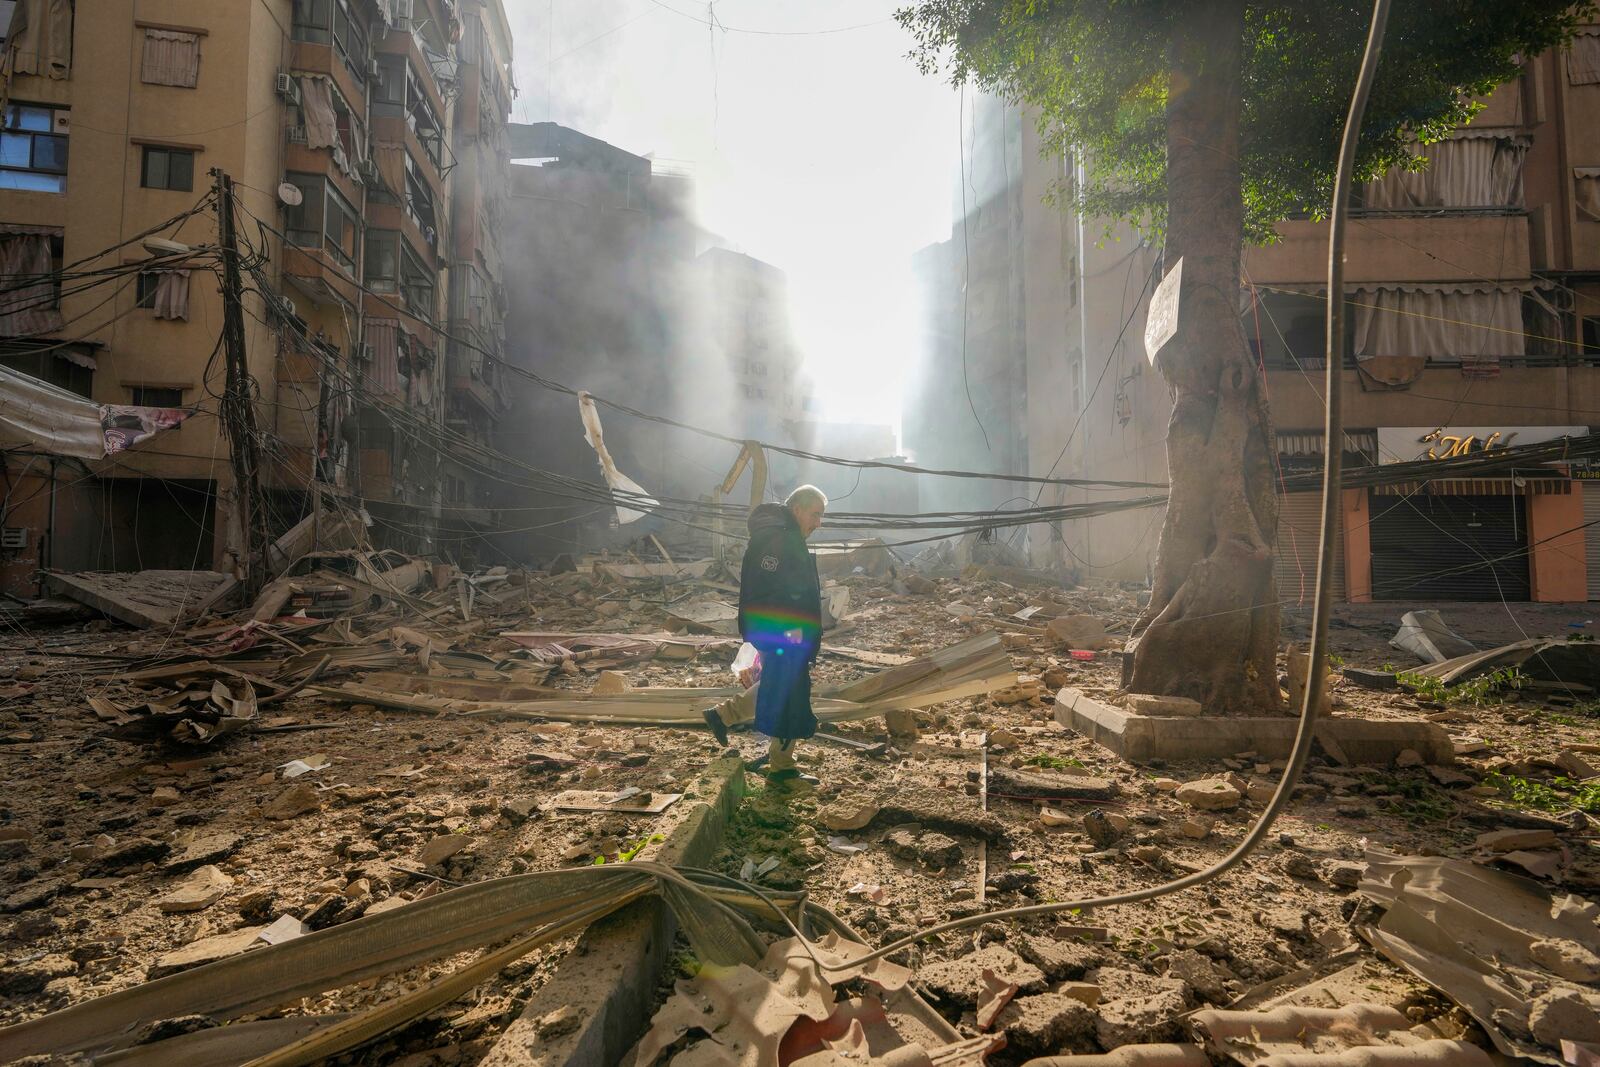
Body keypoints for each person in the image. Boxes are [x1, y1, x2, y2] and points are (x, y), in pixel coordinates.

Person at [703, 485, 827, 785]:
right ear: (797, 509)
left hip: (785, 630)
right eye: (815, 514)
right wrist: (790, 629)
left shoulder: (784, 536)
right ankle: (782, 768)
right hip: (784, 632)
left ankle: (724, 716)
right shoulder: (777, 540)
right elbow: (769, 591)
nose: (818, 522)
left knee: (781, 687)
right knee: (789, 694)